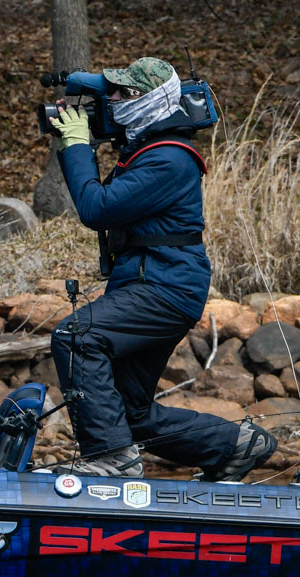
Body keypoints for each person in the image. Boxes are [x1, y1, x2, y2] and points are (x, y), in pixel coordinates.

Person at [47, 57, 276, 479]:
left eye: (121, 94)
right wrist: (84, 87)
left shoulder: (169, 159)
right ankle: (233, 446)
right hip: (151, 282)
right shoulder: (147, 146)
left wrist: (78, 145)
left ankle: (112, 459)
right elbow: (124, 92)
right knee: (130, 413)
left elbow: (96, 208)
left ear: (148, 102)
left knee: (76, 337)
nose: (111, 101)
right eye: (110, 94)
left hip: (165, 288)